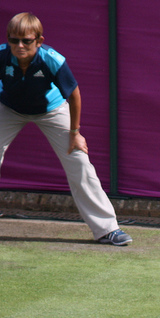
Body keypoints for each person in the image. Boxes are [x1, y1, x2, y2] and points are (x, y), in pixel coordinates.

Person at [0, 12, 131, 246]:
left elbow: (74, 95)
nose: (19, 46)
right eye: (13, 40)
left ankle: (108, 229)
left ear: (39, 41)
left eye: (26, 41)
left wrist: (75, 133)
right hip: (9, 108)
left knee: (79, 160)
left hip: (51, 109)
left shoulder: (53, 60)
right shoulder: (1, 55)